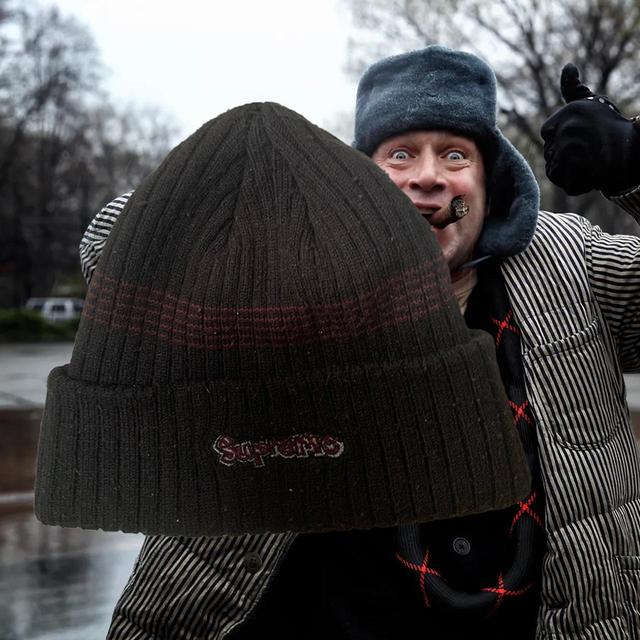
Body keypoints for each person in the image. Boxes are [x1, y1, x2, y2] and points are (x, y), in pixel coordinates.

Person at [77, 47, 640, 639]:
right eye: (400, 155)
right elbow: (104, 254)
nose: (427, 176)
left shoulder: (573, 261)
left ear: (489, 182)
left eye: (455, 155)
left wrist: (635, 163)